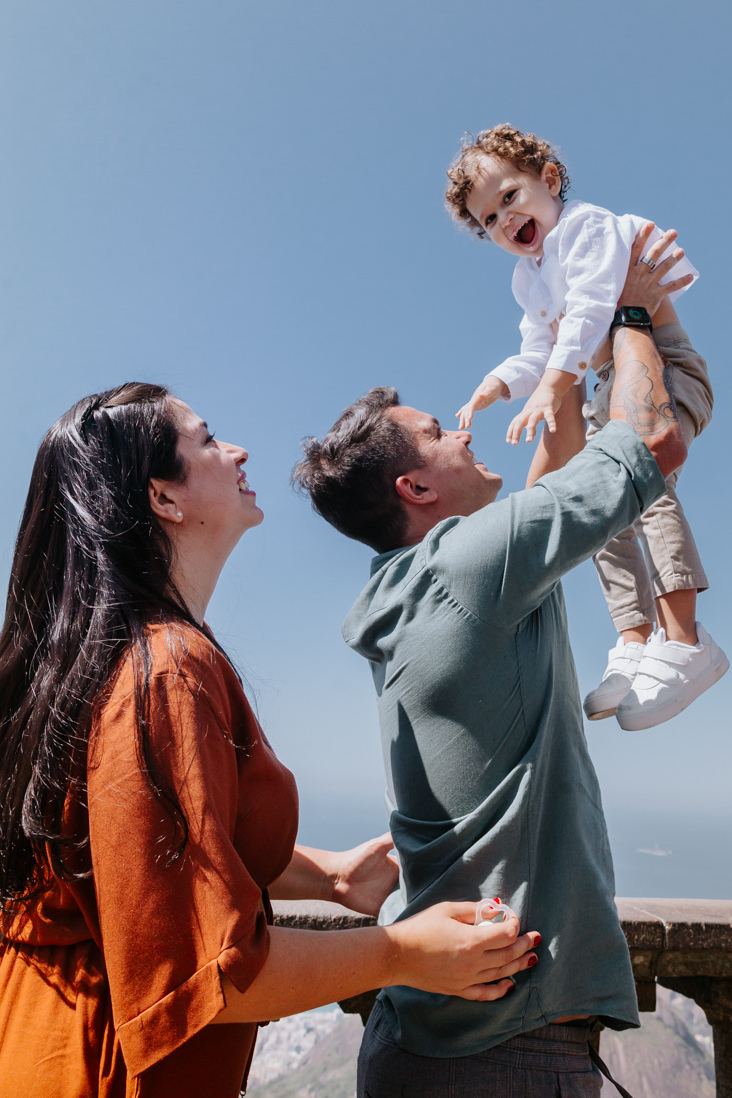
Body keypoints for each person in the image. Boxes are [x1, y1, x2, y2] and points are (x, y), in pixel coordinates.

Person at [0, 383, 541, 1098]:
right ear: (165, 498)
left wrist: (333, 877)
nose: (239, 450)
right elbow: (212, 972)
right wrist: (404, 953)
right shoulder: (168, 671)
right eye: (207, 439)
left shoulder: (115, 660)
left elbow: (145, 855)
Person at [292, 230, 690, 1097]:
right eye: (438, 432)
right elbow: (652, 441)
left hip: (431, 1035)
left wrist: (561, 350)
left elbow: (557, 467)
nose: (464, 431)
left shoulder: (417, 588)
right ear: (416, 489)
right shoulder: (473, 564)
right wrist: (627, 308)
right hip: (508, 1045)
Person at [445, 124, 727, 730]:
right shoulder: (528, 278)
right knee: (601, 506)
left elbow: (596, 307)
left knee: (644, 482)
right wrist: (499, 382)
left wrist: (551, 385)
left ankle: (686, 639)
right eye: (488, 220)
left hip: (666, 366)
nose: (504, 221)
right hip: (607, 387)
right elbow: (537, 346)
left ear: (548, 180)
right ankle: (635, 637)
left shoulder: (587, 227)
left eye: (510, 198)